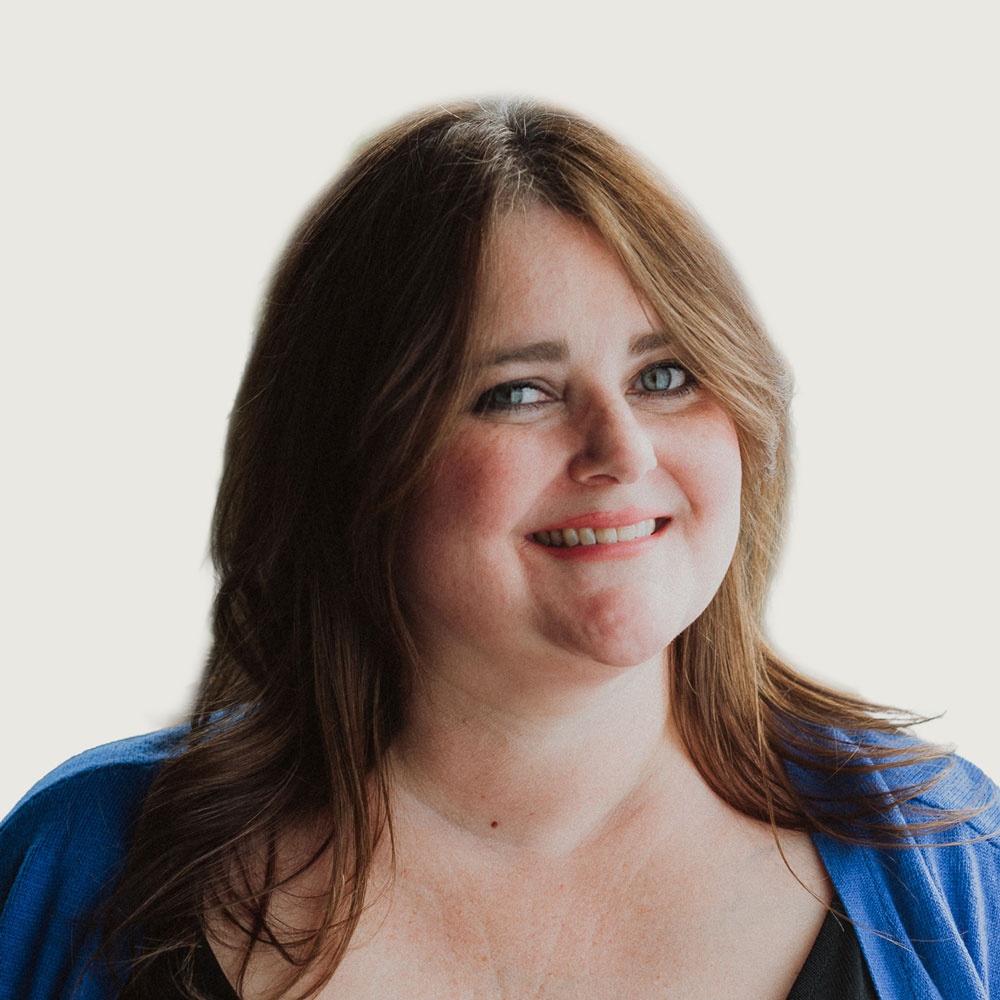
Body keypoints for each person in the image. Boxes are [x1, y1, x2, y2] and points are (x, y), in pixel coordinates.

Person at [2, 99, 997, 1000]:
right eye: (518, 391)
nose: (622, 449)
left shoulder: (949, 855)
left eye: (665, 375)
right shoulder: (81, 862)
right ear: (347, 457)